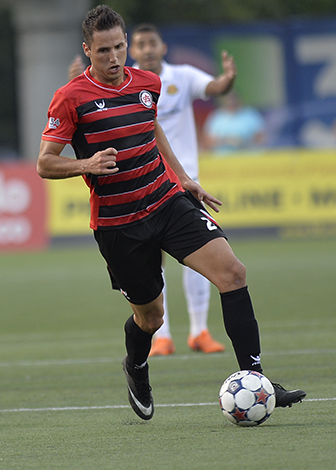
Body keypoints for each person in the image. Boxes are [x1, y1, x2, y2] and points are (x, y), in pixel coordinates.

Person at [37, 5, 305, 420]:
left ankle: (258, 381)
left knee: (233, 273)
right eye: (103, 50)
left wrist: (181, 177)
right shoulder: (71, 97)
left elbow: (151, 126)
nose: (114, 58)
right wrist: (85, 165)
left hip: (166, 201)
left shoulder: (148, 82)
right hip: (118, 224)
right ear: (87, 49)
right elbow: (45, 162)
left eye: (120, 47)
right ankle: (137, 366)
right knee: (150, 317)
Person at [69, 24, 237, 357]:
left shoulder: (179, 77)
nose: (146, 50)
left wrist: (229, 78)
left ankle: (200, 329)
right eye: (141, 45)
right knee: (152, 266)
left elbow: (214, 87)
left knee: (206, 259)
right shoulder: (125, 85)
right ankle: (164, 335)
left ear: (162, 48)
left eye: (151, 44)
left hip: (180, 180)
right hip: (141, 184)